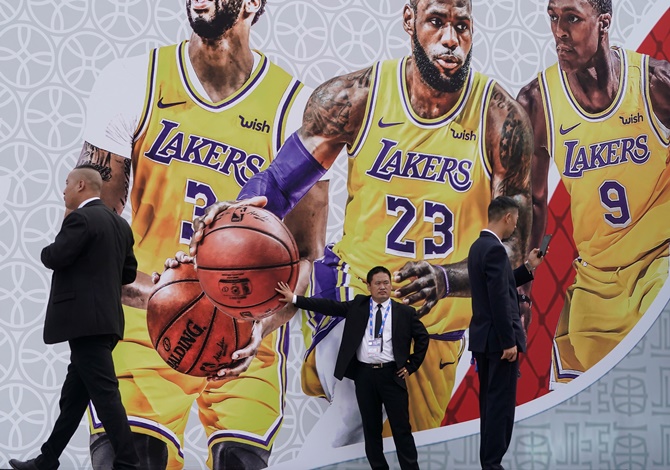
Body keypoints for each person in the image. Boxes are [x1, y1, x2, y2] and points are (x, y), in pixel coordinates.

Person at [192, 0, 534, 447]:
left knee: (384, 448)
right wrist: (234, 213)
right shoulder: (356, 97)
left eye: (462, 26)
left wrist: (447, 280)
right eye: (437, 22)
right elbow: (279, 182)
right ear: (409, 21)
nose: (451, 39)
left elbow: (511, 251)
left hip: (436, 331)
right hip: (353, 293)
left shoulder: (501, 120)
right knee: (358, 408)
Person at [75, 0, 328, 467]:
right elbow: (89, 235)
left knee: (239, 459)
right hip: (145, 323)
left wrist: (261, 323)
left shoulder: (298, 110)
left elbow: (308, 259)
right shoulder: (133, 80)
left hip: (247, 338)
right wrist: (168, 291)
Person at [517, 0, 670, 387]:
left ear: (604, 22)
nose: (559, 31)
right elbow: (530, 203)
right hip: (596, 278)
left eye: (572, 18)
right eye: (553, 17)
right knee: (572, 407)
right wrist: (519, 289)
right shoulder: (537, 102)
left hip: (660, 264)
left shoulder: (654, 84)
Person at [9, 165, 139, 470]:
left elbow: (55, 256)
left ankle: (129, 462)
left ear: (81, 186)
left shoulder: (80, 218)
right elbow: (129, 273)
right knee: (74, 399)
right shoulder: (120, 226)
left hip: (85, 323)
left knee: (106, 395)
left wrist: (54, 245)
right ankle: (47, 459)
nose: (63, 190)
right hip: (106, 322)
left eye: (67, 184)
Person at [276, 266, 429, 470]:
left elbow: (422, 338)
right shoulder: (358, 306)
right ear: (369, 286)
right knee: (371, 432)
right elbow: (327, 306)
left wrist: (411, 365)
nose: (383, 287)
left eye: (386, 283)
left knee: (402, 430)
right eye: (378, 283)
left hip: (392, 375)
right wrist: (295, 299)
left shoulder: (404, 312)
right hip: (365, 377)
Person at [467, 196, 544, 470]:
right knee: (500, 408)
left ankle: (489, 463)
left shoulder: (479, 247)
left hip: (483, 341)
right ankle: (493, 464)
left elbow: (502, 283)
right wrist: (508, 341)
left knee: (490, 406)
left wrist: (529, 267)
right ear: (508, 218)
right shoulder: (496, 250)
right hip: (499, 343)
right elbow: (500, 298)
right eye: (516, 221)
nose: (515, 228)